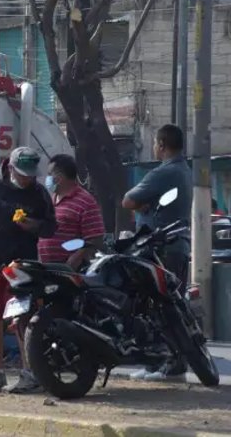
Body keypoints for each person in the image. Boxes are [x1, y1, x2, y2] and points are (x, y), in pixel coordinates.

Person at [0, 146, 56, 394]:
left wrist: (32, 225)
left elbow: (50, 227)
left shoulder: (39, 193)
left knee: (24, 320)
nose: (27, 179)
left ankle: (30, 373)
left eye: (31, 174)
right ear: (10, 168)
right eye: (22, 174)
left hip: (22, 265)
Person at [122, 124, 192, 379]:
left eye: (155, 144)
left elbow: (128, 200)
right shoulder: (184, 170)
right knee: (166, 306)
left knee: (161, 307)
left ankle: (170, 365)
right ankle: (165, 363)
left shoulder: (165, 172)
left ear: (161, 145)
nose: (154, 147)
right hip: (177, 246)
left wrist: (143, 205)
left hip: (161, 248)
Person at [37, 154, 105, 269]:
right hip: (47, 267)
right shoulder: (51, 199)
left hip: (70, 269)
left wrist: (76, 258)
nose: (47, 178)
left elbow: (95, 238)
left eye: (49, 174)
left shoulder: (85, 201)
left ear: (59, 177)